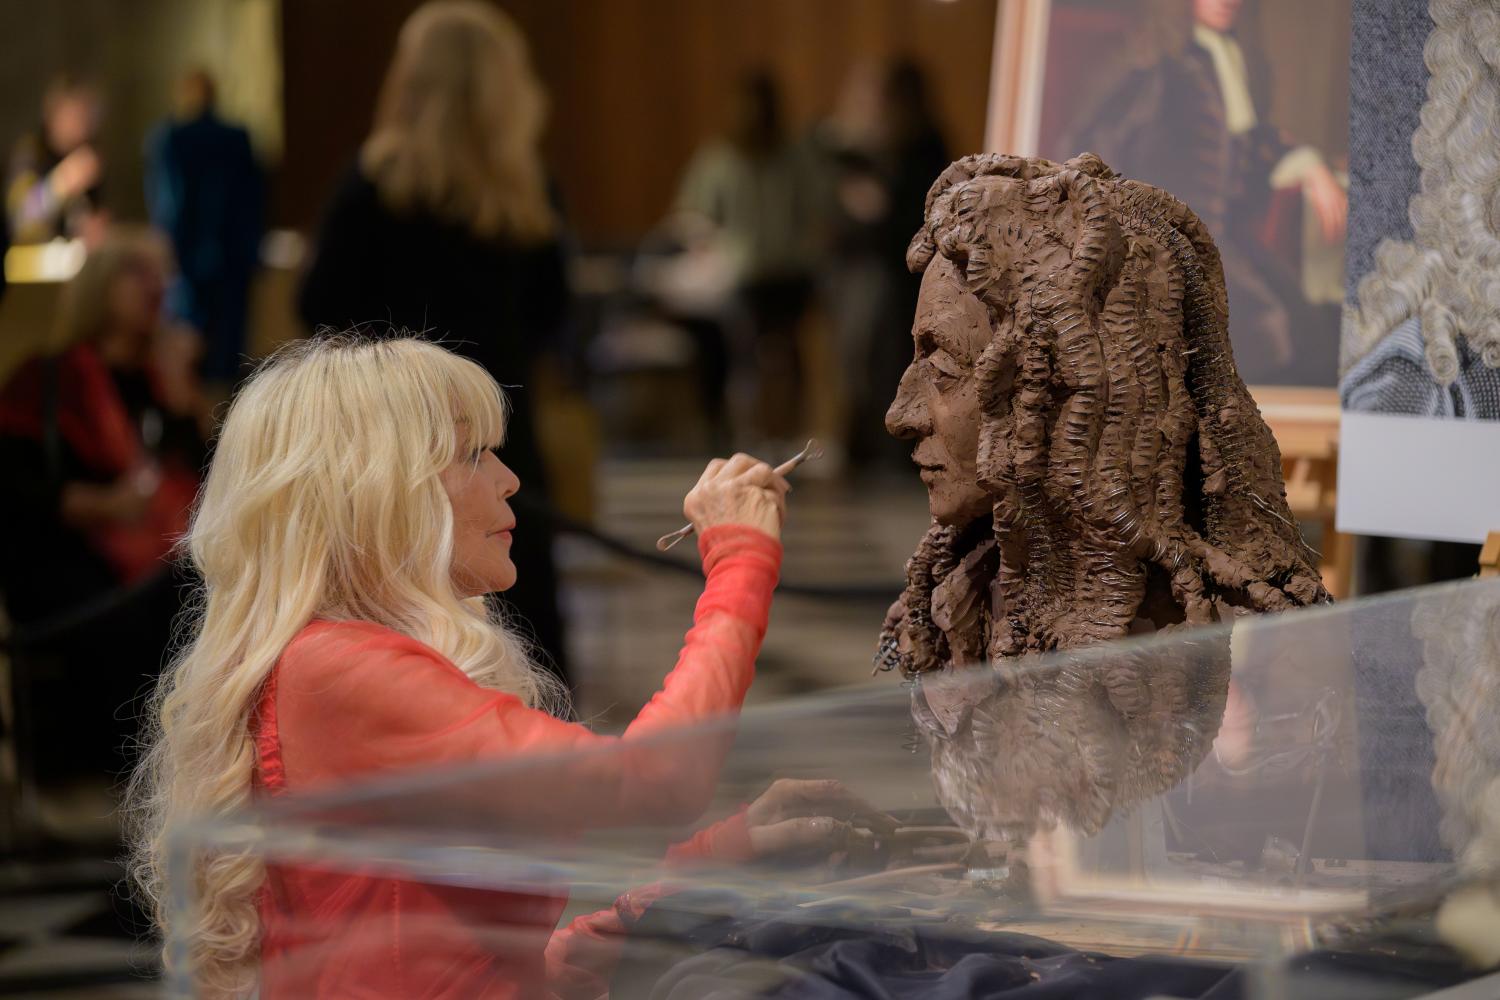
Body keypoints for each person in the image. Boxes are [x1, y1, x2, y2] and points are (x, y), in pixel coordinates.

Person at [123, 334, 820, 998]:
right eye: (474, 454)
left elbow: (469, 965)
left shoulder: (336, 660)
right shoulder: (334, 667)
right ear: (375, 492)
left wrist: (716, 860)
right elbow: (656, 780)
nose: (511, 480)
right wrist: (740, 563)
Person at [298, 1, 574, 683]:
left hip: (396, 445)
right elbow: (553, 314)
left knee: (401, 623)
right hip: (502, 438)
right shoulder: (526, 193)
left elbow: (319, 310)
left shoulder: (370, 187)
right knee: (520, 619)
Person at [0, 229, 206, 783]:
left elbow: (209, 483)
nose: (155, 285)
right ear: (98, 285)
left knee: (201, 587)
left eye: (161, 273)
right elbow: (17, 487)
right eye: (136, 271)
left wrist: (185, 399)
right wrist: (95, 505)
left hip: (160, 562)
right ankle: (140, 779)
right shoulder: (47, 380)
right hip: (72, 567)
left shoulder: (161, 379)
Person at [1062, 0, 1347, 384]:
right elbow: (1095, 149)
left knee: (1312, 332)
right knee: (1268, 332)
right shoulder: (1151, 66)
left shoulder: (1226, 58)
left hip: (1222, 240)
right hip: (1159, 243)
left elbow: (1252, 140)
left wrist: (1308, 163)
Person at [675, 71, 818, 445]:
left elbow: (817, 212)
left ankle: (788, 428)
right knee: (734, 352)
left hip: (786, 277)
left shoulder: (795, 157)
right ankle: (737, 429)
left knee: (786, 355)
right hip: (738, 279)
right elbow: (693, 217)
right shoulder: (719, 159)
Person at [145, 68, 264, 387]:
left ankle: (195, 427)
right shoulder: (236, 138)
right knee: (228, 364)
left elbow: (169, 204)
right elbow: (254, 202)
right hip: (233, 263)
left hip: (187, 262)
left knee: (187, 359)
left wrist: (167, 254)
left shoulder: (170, 139)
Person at [7, 73, 106, 245]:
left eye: (87, 115)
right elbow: (19, 220)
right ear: (54, 114)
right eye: (76, 114)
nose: (84, 124)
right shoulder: (31, 153)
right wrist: (60, 183)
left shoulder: (86, 153)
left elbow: (90, 216)